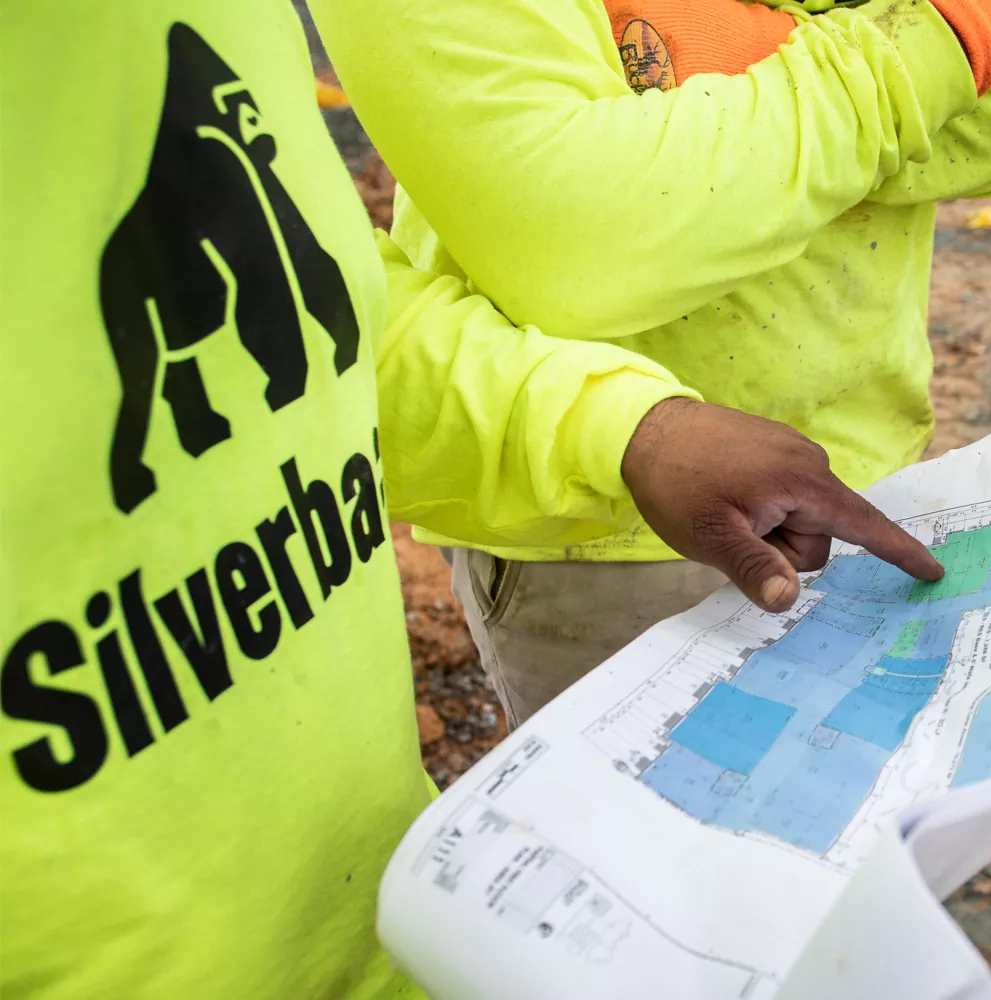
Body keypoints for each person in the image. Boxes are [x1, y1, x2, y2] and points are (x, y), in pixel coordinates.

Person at [0, 3, 943, 998]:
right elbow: (574, 232)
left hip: (391, 934)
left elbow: (320, 313)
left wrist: (624, 429)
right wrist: (929, 58)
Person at [309, 0, 991, 725]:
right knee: (652, 837)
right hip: (606, 516)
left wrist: (710, 88)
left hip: (874, 461)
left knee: (860, 811)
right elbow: (583, 239)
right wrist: (949, 44)